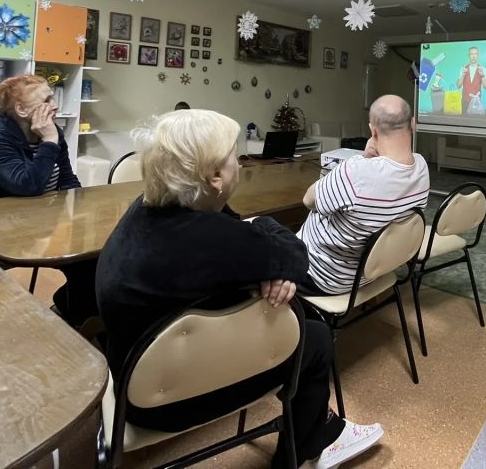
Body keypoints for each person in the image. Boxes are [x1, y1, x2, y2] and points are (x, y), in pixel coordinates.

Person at [95, 109, 384, 469]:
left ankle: (320, 428)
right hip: (168, 404)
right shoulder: (214, 241)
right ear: (215, 176)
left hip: (130, 383)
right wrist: (267, 239)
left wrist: (267, 259)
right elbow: (296, 254)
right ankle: (309, 444)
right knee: (316, 336)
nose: (240, 163)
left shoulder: (148, 212)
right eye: (234, 155)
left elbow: (235, 230)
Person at [0, 74, 95, 326]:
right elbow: (27, 186)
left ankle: (73, 312)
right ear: (21, 110)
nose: (54, 106)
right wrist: (49, 141)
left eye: (53, 98)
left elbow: (67, 179)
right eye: (46, 100)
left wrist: (78, 217)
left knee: (91, 258)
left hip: (41, 221)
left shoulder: (53, 132)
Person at [297, 95, 429, 296]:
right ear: (413, 124)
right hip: (370, 271)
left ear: (373, 130)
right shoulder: (422, 167)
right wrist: (367, 158)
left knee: (261, 230)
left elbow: (308, 200)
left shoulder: (355, 172)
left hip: (321, 275)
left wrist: (361, 160)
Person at [456, 47, 486, 113]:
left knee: (476, 119)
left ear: (478, 55)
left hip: (477, 102)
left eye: (475, 54)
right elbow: (458, 85)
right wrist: (463, 75)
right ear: (469, 55)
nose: (473, 56)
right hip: (464, 102)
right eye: (471, 54)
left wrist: (482, 75)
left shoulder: (483, 69)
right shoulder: (463, 69)